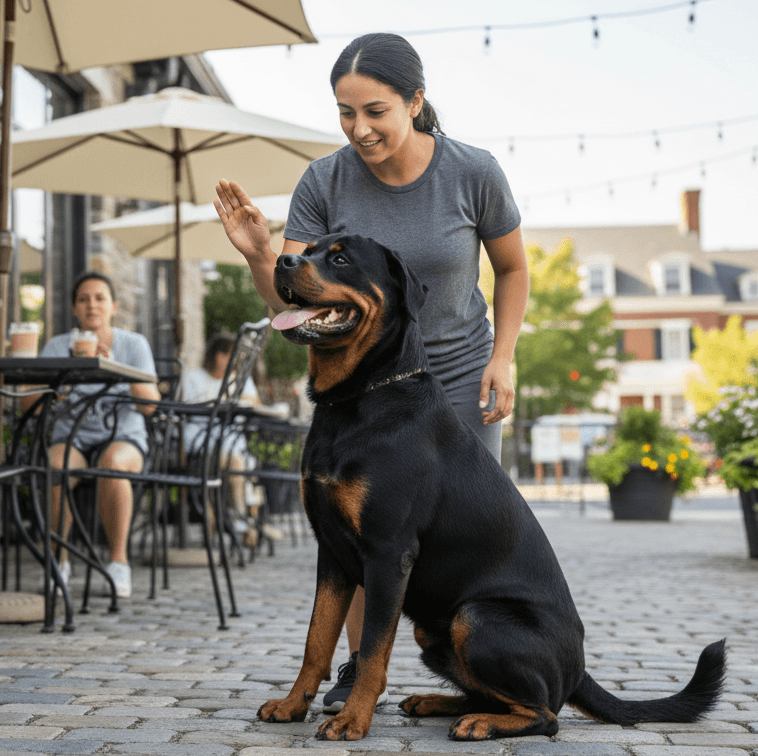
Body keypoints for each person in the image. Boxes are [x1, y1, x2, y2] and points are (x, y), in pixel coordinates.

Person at [213, 32, 529, 712]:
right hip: (358, 390)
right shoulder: (324, 181)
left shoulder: (472, 172)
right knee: (357, 538)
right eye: (345, 112)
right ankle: (359, 676)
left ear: (415, 102)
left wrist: (504, 356)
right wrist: (260, 254)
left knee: (462, 542)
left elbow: (512, 268)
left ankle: (490, 670)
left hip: (459, 380)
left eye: (376, 111)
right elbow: (296, 308)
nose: (360, 128)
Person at [40, 272, 161, 599]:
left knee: (112, 463)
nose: (91, 305)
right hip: (73, 437)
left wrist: (114, 371)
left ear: (113, 306)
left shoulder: (133, 344)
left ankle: (118, 563)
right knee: (54, 465)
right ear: (74, 308)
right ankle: (58, 560)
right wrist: (57, 386)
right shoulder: (57, 346)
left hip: (124, 437)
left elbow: (150, 406)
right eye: (84, 299)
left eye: (99, 298)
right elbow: (29, 404)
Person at [176, 333, 266, 545]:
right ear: (213, 355)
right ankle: (241, 523)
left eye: (233, 355)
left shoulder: (241, 379)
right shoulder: (193, 377)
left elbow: (254, 403)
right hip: (200, 444)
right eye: (224, 353)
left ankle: (238, 521)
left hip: (232, 444)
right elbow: (187, 409)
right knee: (234, 465)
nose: (229, 359)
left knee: (238, 463)